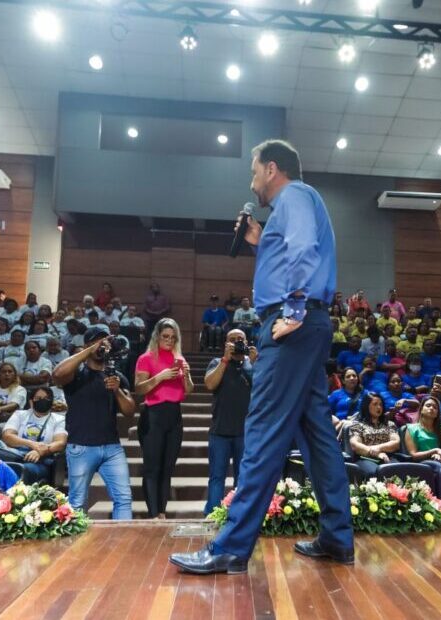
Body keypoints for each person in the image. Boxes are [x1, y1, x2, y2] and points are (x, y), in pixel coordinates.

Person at [172, 139, 352, 575]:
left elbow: (305, 249)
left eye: (254, 171)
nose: (252, 181)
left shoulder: (295, 195)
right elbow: (290, 251)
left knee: (263, 432)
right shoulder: (290, 207)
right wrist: (259, 239)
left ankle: (231, 547)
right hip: (306, 325)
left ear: (272, 169)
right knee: (315, 436)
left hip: (290, 326)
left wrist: (291, 309)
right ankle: (337, 537)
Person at [54, 326, 137, 519]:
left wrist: (116, 390)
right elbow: (57, 374)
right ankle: (75, 547)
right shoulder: (77, 374)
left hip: (112, 448)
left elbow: (129, 411)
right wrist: (87, 352)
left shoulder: (115, 375)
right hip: (81, 446)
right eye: (96, 341)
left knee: (123, 498)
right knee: (77, 502)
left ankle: (122, 546)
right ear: (87, 345)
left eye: (105, 341)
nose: (102, 345)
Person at [135, 318, 193, 520]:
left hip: (174, 415)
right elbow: (139, 388)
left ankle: (161, 511)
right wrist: (160, 376)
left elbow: (189, 390)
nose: (169, 340)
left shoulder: (179, 358)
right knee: (152, 467)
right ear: (157, 336)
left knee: (168, 467)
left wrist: (185, 376)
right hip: (153, 416)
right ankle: (153, 514)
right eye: (165, 336)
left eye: (172, 337)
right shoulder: (146, 358)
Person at [203, 329, 256, 514]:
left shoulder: (252, 365)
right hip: (220, 432)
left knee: (242, 479)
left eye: (240, 339)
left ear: (247, 342)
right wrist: (225, 359)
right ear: (225, 344)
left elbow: (262, 389)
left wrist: (253, 362)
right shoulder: (217, 362)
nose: (236, 343)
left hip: (245, 433)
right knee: (217, 478)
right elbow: (210, 384)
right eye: (232, 340)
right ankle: (212, 516)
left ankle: (237, 516)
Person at [0, 386, 67, 483]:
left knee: (22, 469)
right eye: (38, 398)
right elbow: (7, 436)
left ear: (52, 401)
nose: (42, 401)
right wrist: (32, 444)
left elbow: (61, 443)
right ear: (31, 402)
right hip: (15, 455)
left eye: (46, 398)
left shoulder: (59, 419)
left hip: (41, 461)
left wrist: (40, 451)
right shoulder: (20, 414)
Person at [347, 392, 399, 479]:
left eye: (380, 404)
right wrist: (376, 453)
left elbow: (396, 443)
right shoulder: (357, 425)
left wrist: (378, 448)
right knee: (374, 473)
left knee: (400, 470)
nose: (379, 407)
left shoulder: (389, 424)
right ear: (366, 406)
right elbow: (355, 445)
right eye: (375, 404)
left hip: (388, 457)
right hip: (365, 458)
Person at [403, 396, 441, 474]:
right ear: (421, 409)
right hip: (422, 462)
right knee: (439, 467)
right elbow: (414, 455)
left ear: (437, 413)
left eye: (435, 407)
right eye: (428, 405)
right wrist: (435, 451)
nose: (431, 408)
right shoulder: (411, 429)